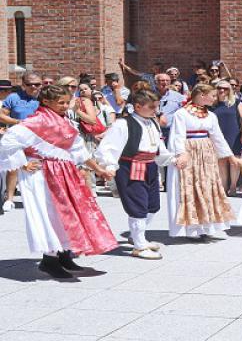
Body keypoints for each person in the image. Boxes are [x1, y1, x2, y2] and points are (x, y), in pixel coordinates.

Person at [0, 85, 117, 278]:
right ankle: (50, 259)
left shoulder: (64, 122)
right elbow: (9, 140)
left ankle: (64, 254)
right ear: (46, 102)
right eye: (60, 102)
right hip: (41, 174)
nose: (64, 106)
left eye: (66, 102)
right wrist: (23, 164)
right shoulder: (36, 120)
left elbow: (79, 151)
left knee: (67, 212)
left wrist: (99, 170)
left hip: (64, 171)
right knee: (50, 213)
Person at [95, 90, 174, 260]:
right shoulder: (123, 124)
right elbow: (108, 147)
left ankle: (137, 235)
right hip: (131, 167)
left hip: (150, 166)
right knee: (137, 207)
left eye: (157, 106)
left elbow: (158, 145)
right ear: (137, 106)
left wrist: (170, 159)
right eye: (152, 106)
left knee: (153, 205)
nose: (155, 110)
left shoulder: (153, 123)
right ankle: (139, 246)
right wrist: (109, 165)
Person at [166, 84, 242, 239]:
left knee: (208, 187)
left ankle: (208, 226)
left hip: (206, 154)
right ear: (202, 95)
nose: (215, 98)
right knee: (191, 188)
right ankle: (192, 228)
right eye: (212, 95)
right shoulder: (181, 114)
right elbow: (177, 135)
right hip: (189, 152)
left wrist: (230, 156)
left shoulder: (211, 115)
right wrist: (180, 154)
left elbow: (218, 137)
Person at [0, 72, 42, 212]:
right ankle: (10, 199)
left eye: (38, 84)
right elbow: (1, 115)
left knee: (36, 168)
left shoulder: (45, 97)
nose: (35, 87)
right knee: (14, 167)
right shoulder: (14, 97)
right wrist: (17, 122)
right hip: (17, 137)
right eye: (31, 85)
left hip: (38, 138)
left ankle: (35, 198)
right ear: (23, 85)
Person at [211, 80, 242, 197]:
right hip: (217, 135)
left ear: (230, 90)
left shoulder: (236, 102)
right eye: (220, 88)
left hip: (234, 134)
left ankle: (233, 187)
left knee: (234, 161)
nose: (222, 90)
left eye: (226, 88)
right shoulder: (212, 104)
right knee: (221, 161)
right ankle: (224, 186)